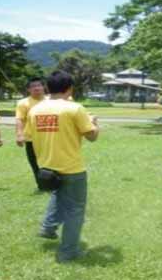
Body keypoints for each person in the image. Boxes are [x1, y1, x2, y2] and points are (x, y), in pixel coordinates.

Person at [25, 71, 100, 262]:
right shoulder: (75, 108)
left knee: (58, 195)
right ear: (69, 88)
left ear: (48, 88)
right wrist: (93, 123)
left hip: (47, 168)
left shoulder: (34, 110)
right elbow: (92, 136)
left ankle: (47, 229)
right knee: (75, 209)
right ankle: (68, 252)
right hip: (72, 169)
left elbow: (30, 136)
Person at [15, 77, 46, 190]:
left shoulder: (51, 101)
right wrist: (19, 135)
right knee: (35, 164)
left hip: (50, 137)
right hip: (31, 139)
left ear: (44, 87)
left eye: (39, 85)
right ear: (28, 89)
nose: (36, 88)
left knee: (52, 162)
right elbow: (20, 119)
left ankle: (55, 184)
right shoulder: (23, 103)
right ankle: (42, 186)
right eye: (33, 86)